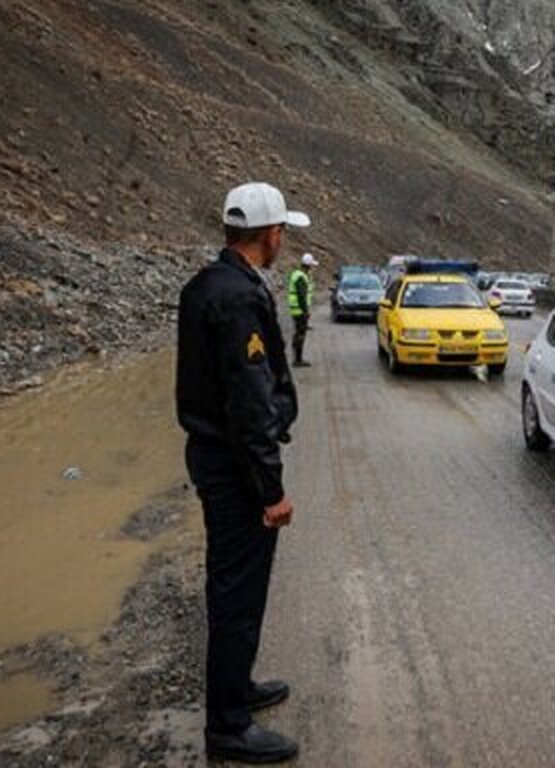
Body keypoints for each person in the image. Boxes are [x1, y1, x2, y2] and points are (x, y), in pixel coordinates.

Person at [175, 181, 309, 764]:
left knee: (237, 590)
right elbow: (249, 404)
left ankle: (238, 688)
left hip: (217, 459)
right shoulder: (237, 298)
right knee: (237, 592)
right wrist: (271, 489)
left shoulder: (207, 284)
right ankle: (227, 727)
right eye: (283, 231)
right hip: (234, 469)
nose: (284, 240)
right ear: (270, 234)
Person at [286, 252, 318, 367]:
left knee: (298, 333)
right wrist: (305, 312)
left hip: (296, 310)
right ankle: (297, 359)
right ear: (308, 265)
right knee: (300, 334)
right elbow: (302, 296)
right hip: (299, 310)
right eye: (312, 265)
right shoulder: (301, 276)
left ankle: (296, 357)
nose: (312, 268)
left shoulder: (297, 274)